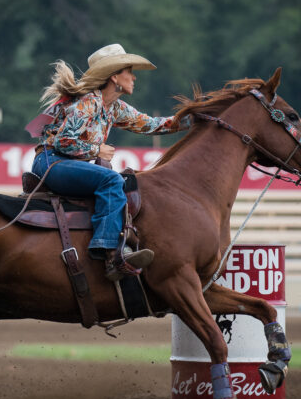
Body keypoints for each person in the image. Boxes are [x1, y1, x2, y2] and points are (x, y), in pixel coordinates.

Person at [28, 44, 192, 280]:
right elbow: (63, 142)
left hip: (64, 164)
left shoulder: (114, 108)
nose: (134, 77)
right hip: (51, 162)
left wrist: (193, 117)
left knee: (113, 180)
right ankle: (110, 251)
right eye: (129, 71)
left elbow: (151, 124)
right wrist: (97, 149)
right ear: (115, 76)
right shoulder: (88, 103)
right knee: (111, 180)